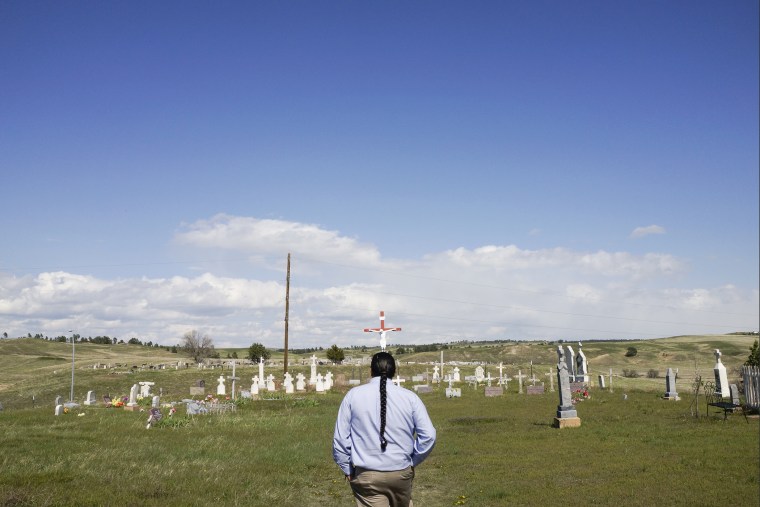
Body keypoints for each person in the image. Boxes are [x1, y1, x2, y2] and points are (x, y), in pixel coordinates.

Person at [333, 352, 436, 507]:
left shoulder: (353, 396)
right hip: (401, 472)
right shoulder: (410, 398)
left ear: (370, 370)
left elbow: (341, 439)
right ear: (394, 371)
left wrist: (347, 469)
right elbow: (428, 435)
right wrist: (412, 462)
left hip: (367, 474)